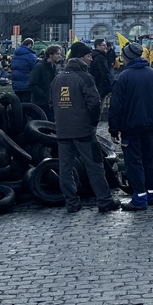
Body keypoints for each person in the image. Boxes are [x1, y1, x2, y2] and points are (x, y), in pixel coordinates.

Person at [52, 42, 120, 213]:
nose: (91, 59)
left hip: (62, 130)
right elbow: (95, 104)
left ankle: (72, 203)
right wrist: (93, 123)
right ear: (81, 57)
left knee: (65, 169)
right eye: (89, 56)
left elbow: (51, 103)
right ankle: (104, 201)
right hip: (83, 131)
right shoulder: (85, 77)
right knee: (94, 165)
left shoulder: (58, 78)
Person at [107, 41, 153, 211]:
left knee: (134, 162)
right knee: (149, 160)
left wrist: (113, 128)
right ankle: (151, 194)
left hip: (131, 127)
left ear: (126, 58)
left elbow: (116, 106)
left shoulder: (124, 77)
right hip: (150, 126)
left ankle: (139, 198)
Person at [29, 44, 61, 122]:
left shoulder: (54, 68)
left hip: (51, 103)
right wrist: (45, 96)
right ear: (50, 55)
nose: (59, 56)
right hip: (40, 103)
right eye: (57, 54)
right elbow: (32, 84)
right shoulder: (39, 67)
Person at [11, 37, 37, 104]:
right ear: (30, 45)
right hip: (27, 84)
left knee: (18, 104)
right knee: (27, 105)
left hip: (16, 84)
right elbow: (35, 69)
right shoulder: (31, 56)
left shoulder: (15, 55)